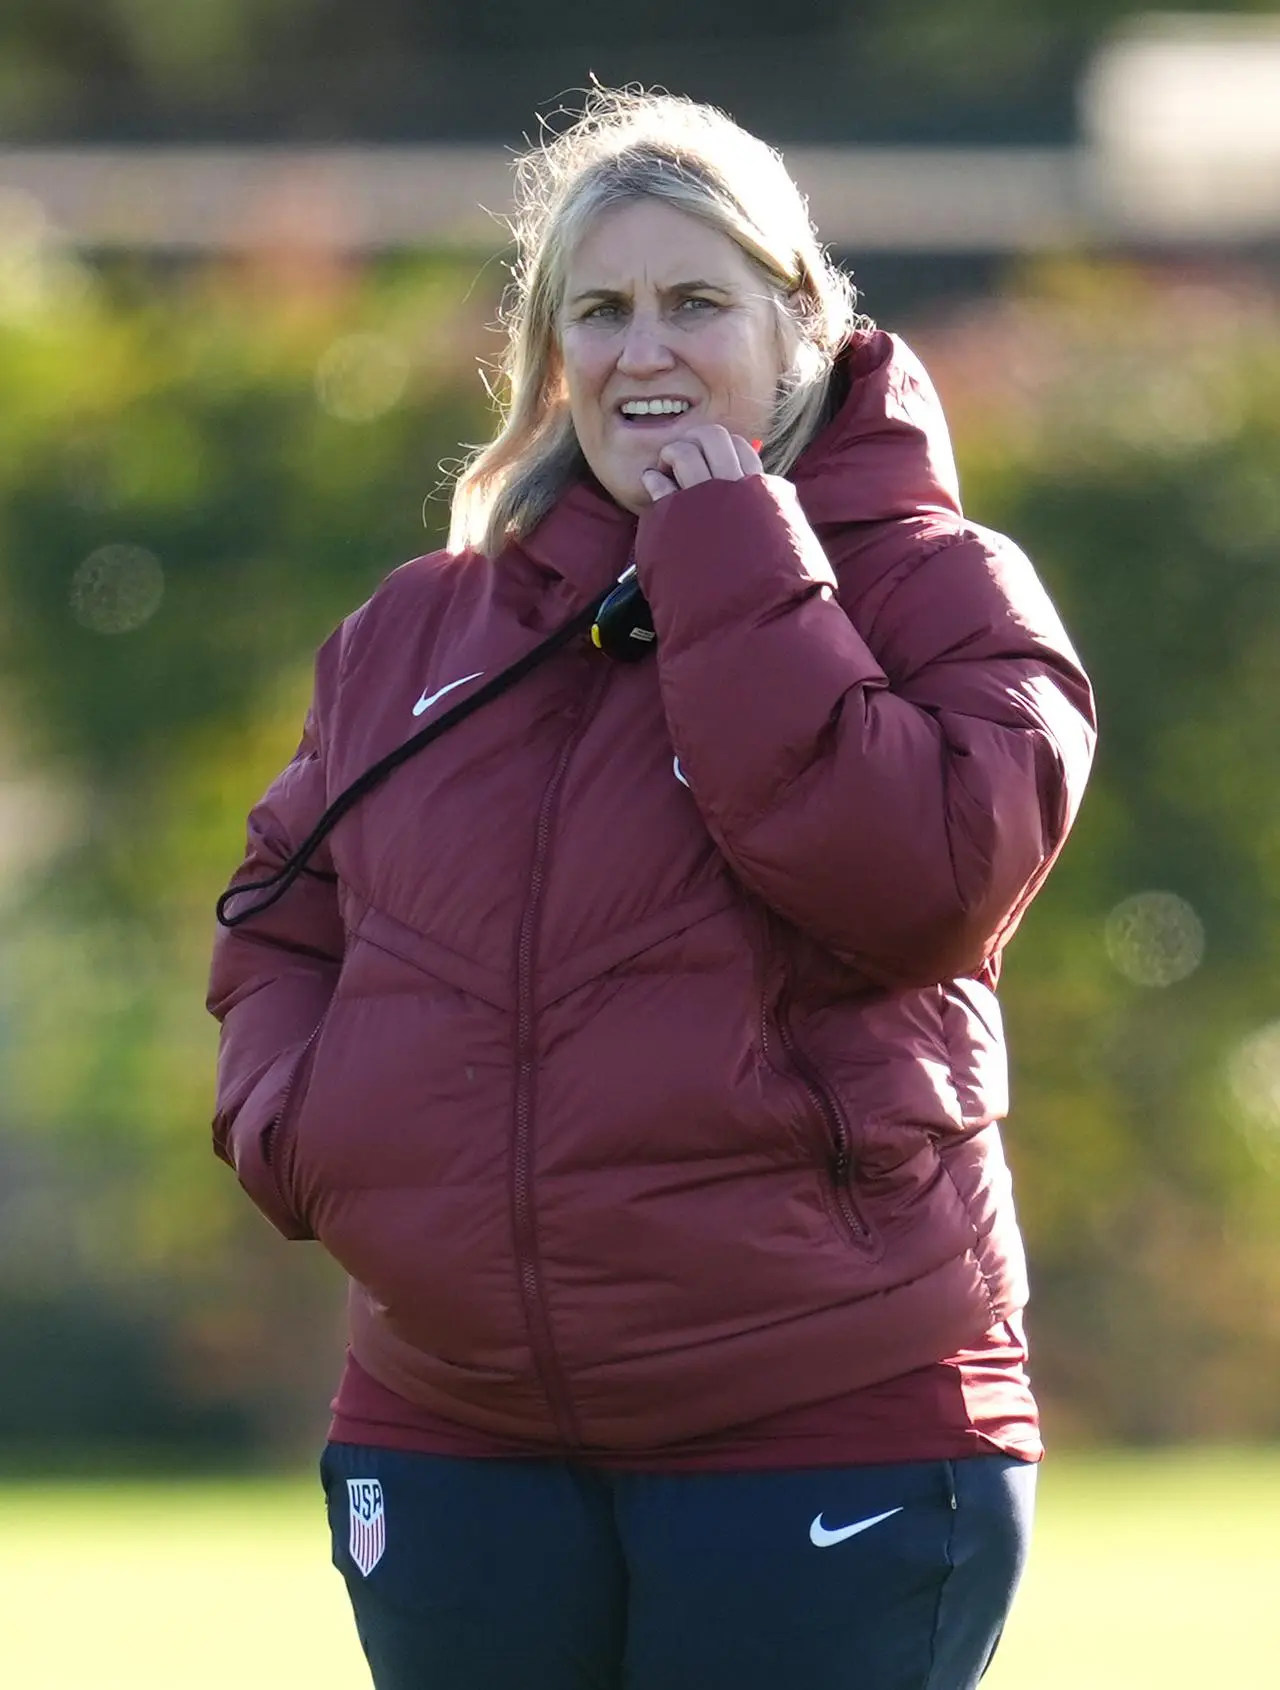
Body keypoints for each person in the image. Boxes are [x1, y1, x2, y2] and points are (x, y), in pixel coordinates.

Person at [208, 87, 1095, 1690]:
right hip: (453, 1434)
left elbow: (916, 883)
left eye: (697, 302)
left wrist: (731, 548)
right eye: (598, 311)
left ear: (804, 318)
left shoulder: (946, 591)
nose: (644, 352)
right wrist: (311, 1124)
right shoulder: (419, 628)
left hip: (824, 1434)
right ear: (550, 353)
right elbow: (279, 903)